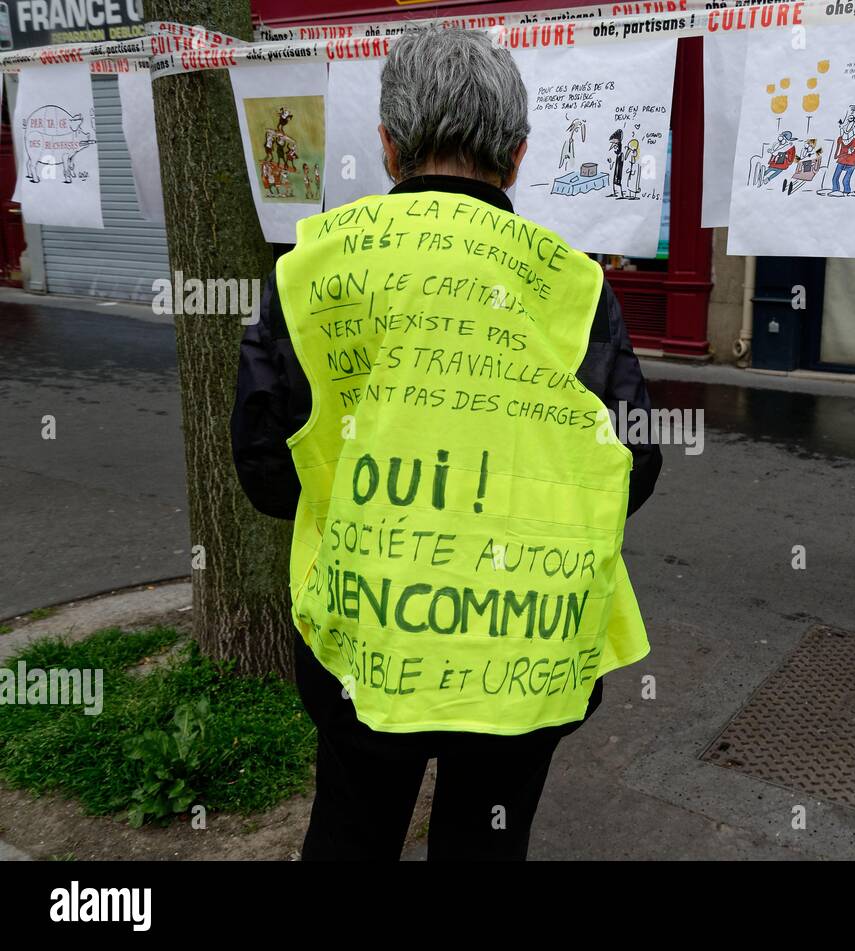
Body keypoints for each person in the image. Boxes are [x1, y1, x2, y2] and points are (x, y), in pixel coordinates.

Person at [231, 27, 663, 861]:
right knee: (486, 843)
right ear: (520, 154)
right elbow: (633, 465)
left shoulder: (312, 269)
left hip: (367, 638)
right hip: (527, 646)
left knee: (351, 833)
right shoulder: (574, 284)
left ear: (389, 146)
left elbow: (263, 466)